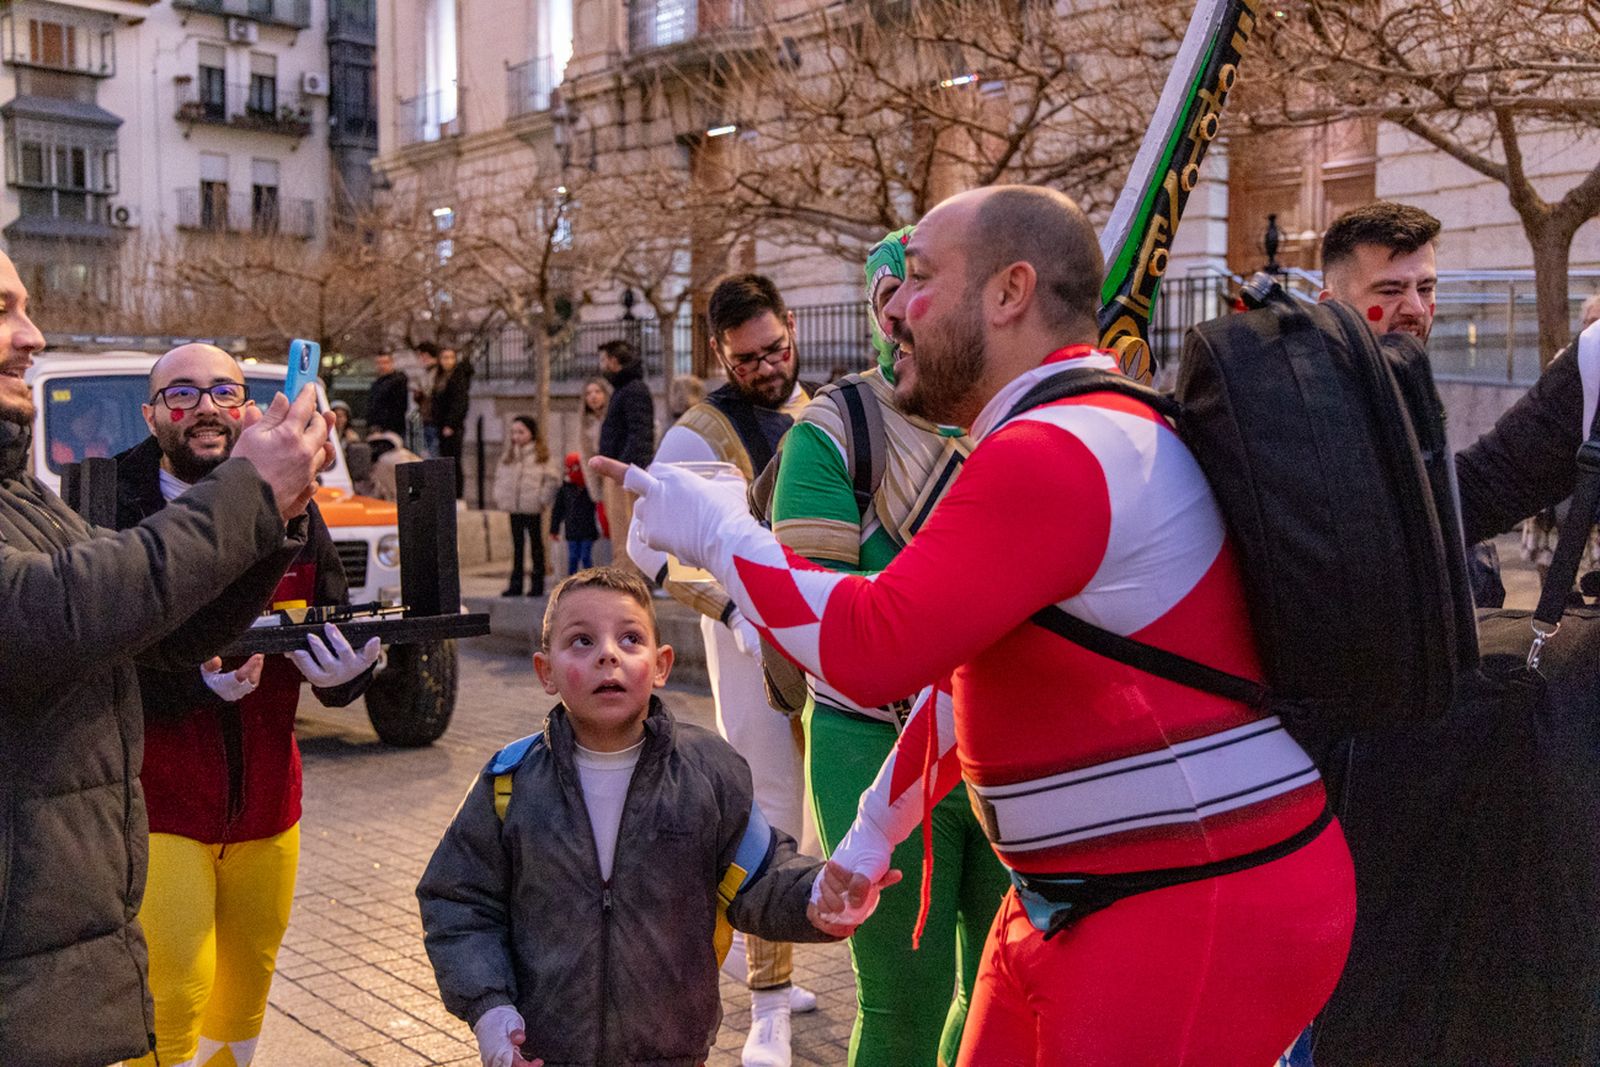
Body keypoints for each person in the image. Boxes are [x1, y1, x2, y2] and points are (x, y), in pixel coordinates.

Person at [600, 184, 1355, 1065]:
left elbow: (869, 645)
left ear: (1009, 293)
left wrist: (719, 528)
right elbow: (969, 680)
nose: (895, 310)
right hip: (1082, 901)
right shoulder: (1070, 429)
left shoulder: (1057, 449)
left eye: (919, 279)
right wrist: (873, 832)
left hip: (1185, 906)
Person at [0, 249, 334, 1066]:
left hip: (56, 937)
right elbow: (58, 612)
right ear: (153, 415)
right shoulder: (97, 488)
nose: (31, 335)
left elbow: (157, 629)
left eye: (26, 308)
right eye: (3, 310)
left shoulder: (17, 489)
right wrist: (251, 494)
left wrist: (277, 513)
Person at [416, 567, 859, 1067]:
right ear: (546, 672)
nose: (609, 654)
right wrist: (489, 1008)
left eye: (630, 638)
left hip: (673, 1052)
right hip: (544, 1053)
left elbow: (759, 876)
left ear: (661, 664)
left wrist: (815, 895)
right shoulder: (510, 782)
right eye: (582, 641)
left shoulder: (709, 772)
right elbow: (458, 901)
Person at [769, 228, 1007, 1067]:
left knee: (999, 993)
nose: (910, 314)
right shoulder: (831, 429)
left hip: (1006, 742)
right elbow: (825, 624)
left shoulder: (1020, 415)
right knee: (905, 1002)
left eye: (931, 293)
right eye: (894, 296)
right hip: (872, 738)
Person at [115, 343, 380, 1067]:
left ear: (248, 409)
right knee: (170, 989)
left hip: (269, 804)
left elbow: (329, 625)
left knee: (243, 994)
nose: (205, 407)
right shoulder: (111, 503)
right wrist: (191, 684)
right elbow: (96, 660)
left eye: (224, 392)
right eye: (182, 394)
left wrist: (351, 673)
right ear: (151, 414)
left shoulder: (297, 506)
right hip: (157, 803)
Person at [625, 273, 821, 1067]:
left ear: (792, 327)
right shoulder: (698, 434)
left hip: (825, 638)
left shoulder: (818, 411)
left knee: (814, 812)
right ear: (720, 353)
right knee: (770, 812)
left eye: (775, 348)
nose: (767, 367)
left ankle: (764, 957)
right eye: (747, 359)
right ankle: (765, 1006)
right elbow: (647, 551)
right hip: (751, 652)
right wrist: (735, 612)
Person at [597, 339, 655, 571]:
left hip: (623, 475)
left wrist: (625, 473)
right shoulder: (625, 389)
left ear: (613, 361)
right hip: (619, 472)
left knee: (626, 535)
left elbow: (640, 434)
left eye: (603, 360)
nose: (601, 365)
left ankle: (627, 582)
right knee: (620, 535)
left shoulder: (633, 390)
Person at [493, 414, 561, 597]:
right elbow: (500, 478)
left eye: (520, 432)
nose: (516, 436)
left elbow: (552, 479)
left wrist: (542, 499)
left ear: (531, 433)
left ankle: (537, 583)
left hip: (532, 507)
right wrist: (500, 497)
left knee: (536, 545)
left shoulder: (541, 455)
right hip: (514, 508)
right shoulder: (509, 455)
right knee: (517, 546)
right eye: (513, 432)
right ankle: (516, 583)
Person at [431, 347, 473, 498]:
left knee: (453, 460)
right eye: (444, 357)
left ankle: (456, 493)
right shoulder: (440, 377)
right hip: (442, 424)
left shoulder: (458, 377)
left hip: (452, 426)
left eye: (451, 357)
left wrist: (451, 424)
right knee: (444, 460)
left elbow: (460, 403)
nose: (447, 361)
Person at [550, 451, 600, 575]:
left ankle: (590, 581)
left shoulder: (590, 488)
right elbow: (558, 510)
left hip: (588, 530)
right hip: (572, 530)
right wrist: (554, 530)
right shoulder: (565, 488)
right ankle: (571, 583)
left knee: (585, 557)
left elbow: (598, 507)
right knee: (573, 558)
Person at [367, 349, 410, 437]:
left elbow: (399, 407)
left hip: (392, 428)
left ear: (392, 363)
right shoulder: (377, 384)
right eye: (379, 363)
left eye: (385, 362)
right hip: (379, 427)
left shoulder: (398, 381)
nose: (382, 366)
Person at [412, 342, 441, 456]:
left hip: (433, 419)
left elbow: (431, 392)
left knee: (433, 454)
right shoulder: (426, 372)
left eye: (421, 356)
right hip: (426, 418)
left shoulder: (436, 373)